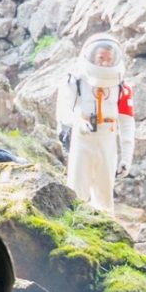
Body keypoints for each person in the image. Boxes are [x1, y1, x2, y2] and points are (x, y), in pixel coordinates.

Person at [54, 33, 135, 219]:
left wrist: (127, 157)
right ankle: (73, 228)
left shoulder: (122, 87)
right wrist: (78, 123)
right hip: (82, 139)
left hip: (108, 139)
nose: (105, 63)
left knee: (105, 194)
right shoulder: (75, 80)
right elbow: (63, 111)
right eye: (101, 58)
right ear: (90, 56)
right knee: (76, 189)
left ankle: (106, 235)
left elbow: (127, 122)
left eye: (109, 59)